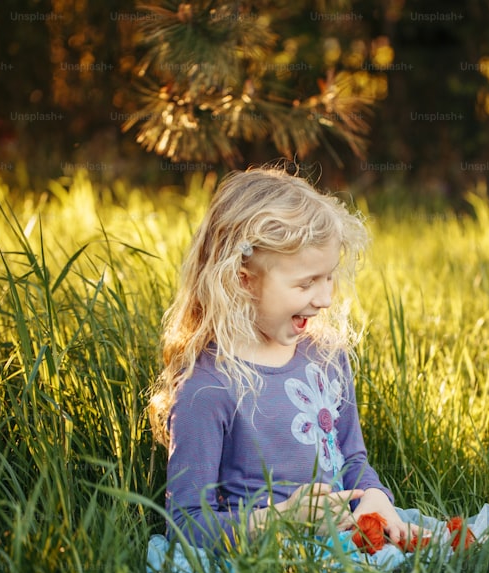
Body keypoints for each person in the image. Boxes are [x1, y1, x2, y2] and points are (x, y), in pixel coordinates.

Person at [148, 166, 425, 551]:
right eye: (305, 283)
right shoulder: (208, 387)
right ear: (243, 279)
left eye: (328, 277)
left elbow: (351, 457)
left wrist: (374, 497)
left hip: (344, 538)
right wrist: (281, 519)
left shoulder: (326, 357)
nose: (325, 298)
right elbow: (187, 525)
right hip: (263, 556)